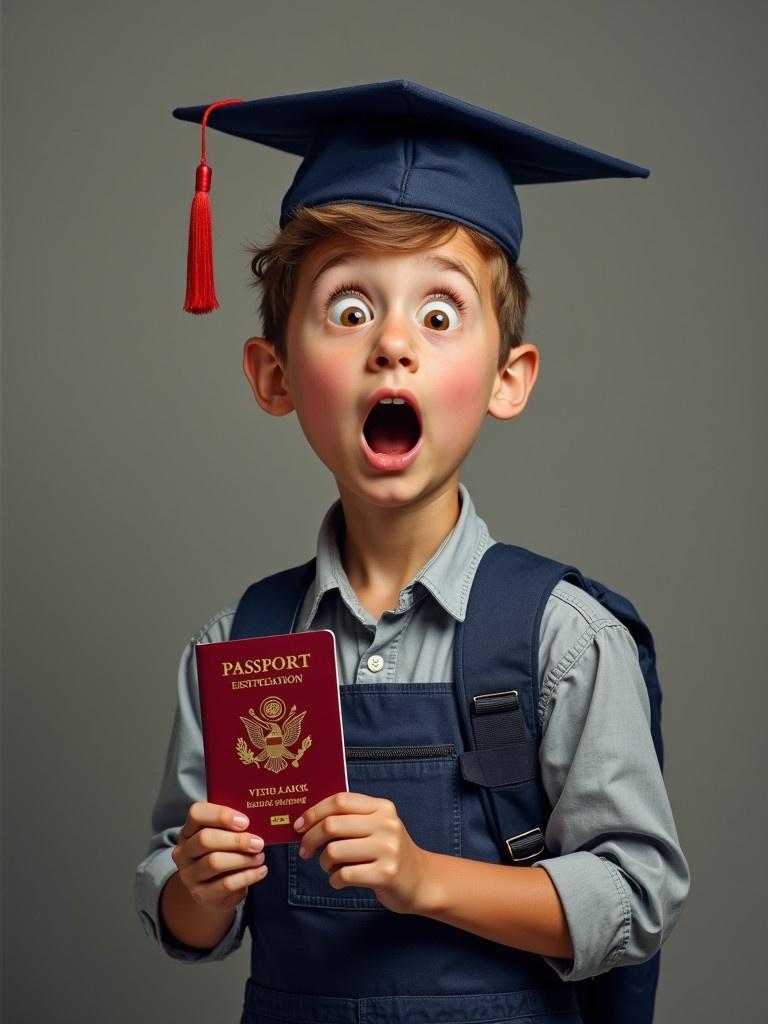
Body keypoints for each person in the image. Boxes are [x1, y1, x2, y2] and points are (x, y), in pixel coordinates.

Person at [135, 81, 690, 1023]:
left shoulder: (562, 638)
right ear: (274, 376)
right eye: (349, 311)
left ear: (508, 380)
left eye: (439, 315)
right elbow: (186, 918)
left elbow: (637, 897)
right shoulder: (236, 643)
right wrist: (199, 886)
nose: (393, 344)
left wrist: (427, 878)